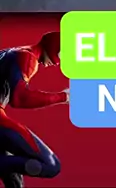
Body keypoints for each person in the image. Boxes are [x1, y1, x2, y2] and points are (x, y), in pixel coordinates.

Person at [0, 31, 67, 187]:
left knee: (14, 178)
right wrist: (64, 97)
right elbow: (20, 98)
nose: (58, 63)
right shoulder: (27, 57)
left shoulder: (10, 52)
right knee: (50, 165)